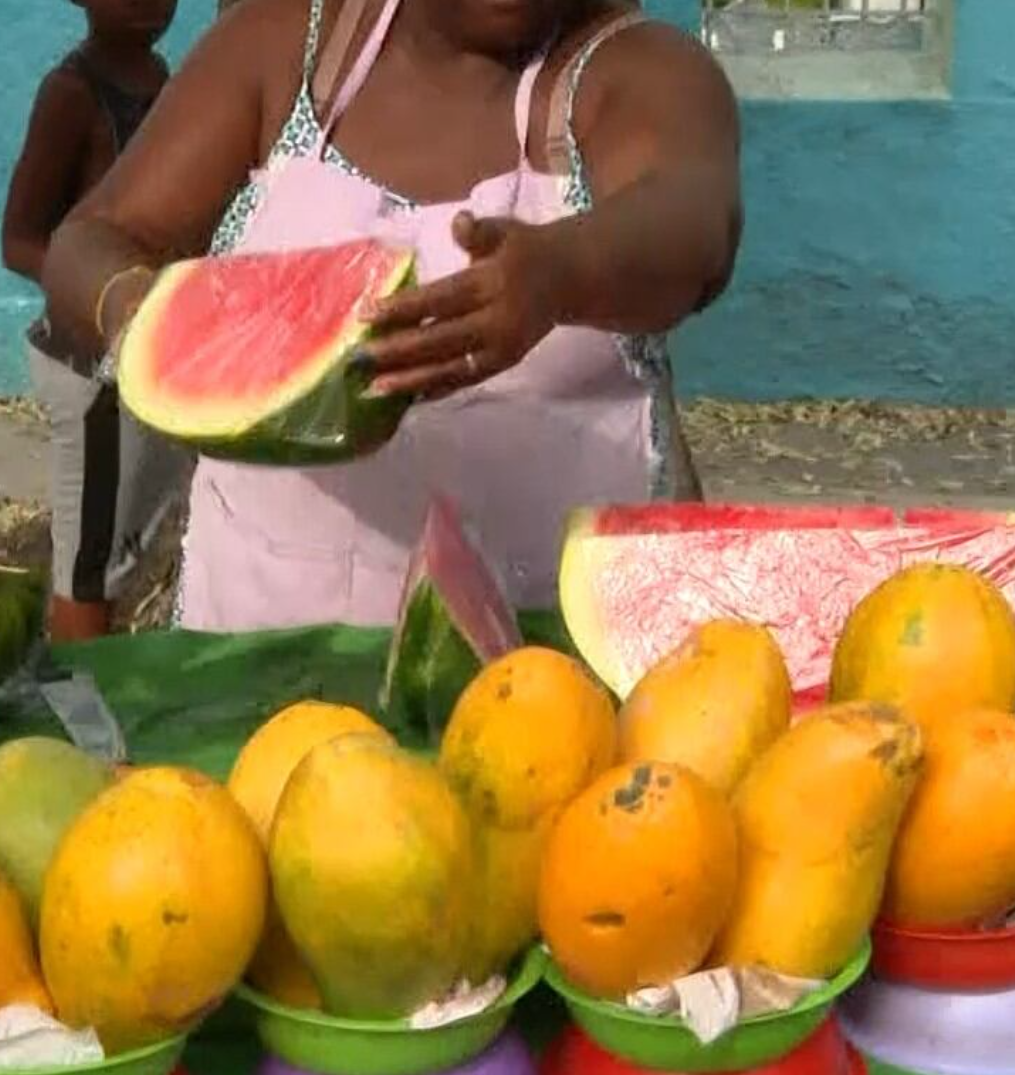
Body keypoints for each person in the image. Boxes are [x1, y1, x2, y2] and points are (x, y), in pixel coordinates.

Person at [44, 0, 741, 633]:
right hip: (255, 668)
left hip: (556, 682)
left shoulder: (641, 70)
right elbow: (93, 235)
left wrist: (563, 270)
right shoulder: (281, 47)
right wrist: (144, 313)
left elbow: (696, 222)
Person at [1, 0, 191, 642]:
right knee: (86, 565)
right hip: (89, 371)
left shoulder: (165, 81)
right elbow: (20, 239)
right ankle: (81, 719)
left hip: (146, 348)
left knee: (125, 543)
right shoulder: (70, 95)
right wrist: (102, 295)